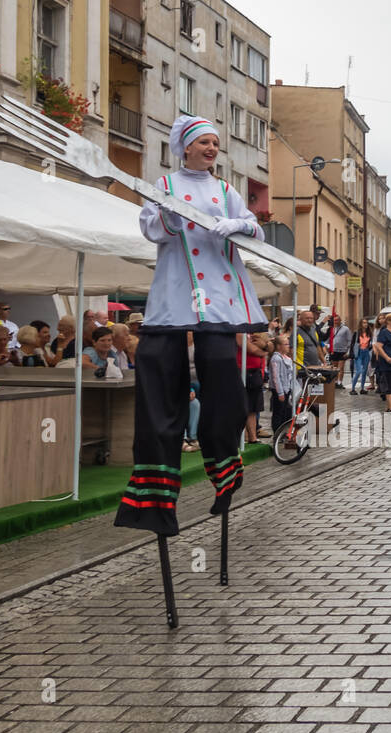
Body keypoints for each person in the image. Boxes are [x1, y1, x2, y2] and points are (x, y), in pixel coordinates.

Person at [112, 113, 264, 545]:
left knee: (221, 374)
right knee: (159, 374)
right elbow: (148, 227)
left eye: (216, 143)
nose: (212, 149)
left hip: (219, 297)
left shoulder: (224, 189)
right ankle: (155, 500)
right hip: (176, 293)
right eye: (204, 143)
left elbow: (255, 228)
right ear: (185, 147)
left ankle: (224, 467)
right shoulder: (165, 186)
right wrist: (172, 220)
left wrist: (238, 225)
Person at [240, 330, 270, 441]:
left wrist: (265, 346)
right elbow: (253, 350)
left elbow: (269, 346)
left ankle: (252, 437)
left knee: (253, 408)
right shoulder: (240, 333)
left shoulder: (257, 336)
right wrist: (263, 351)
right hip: (242, 372)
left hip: (255, 373)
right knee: (242, 407)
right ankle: (243, 436)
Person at [269, 333, 295, 435]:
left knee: (286, 412)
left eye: (288, 344)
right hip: (279, 390)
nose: (288, 346)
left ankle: (283, 432)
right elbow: (276, 377)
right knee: (278, 412)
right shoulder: (276, 359)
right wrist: (280, 392)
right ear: (279, 346)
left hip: (287, 388)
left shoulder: (286, 358)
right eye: (286, 344)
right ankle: (277, 432)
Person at [350, 318, 373, 394]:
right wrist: (351, 354)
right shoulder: (356, 333)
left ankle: (362, 388)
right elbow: (352, 344)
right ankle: (353, 389)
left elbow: (371, 343)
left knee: (364, 372)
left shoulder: (369, 333)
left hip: (366, 353)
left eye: (366, 323)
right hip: (359, 353)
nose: (365, 324)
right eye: (363, 323)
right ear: (360, 324)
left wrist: (370, 347)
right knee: (359, 371)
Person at [329, 316, 352, 388]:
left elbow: (349, 340)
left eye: (337, 320)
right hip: (333, 351)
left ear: (340, 320)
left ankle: (340, 382)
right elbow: (327, 339)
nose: (336, 322)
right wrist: (327, 347)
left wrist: (347, 351)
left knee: (341, 367)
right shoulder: (331, 329)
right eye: (335, 320)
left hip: (342, 351)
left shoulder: (346, 329)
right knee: (334, 368)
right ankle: (335, 382)